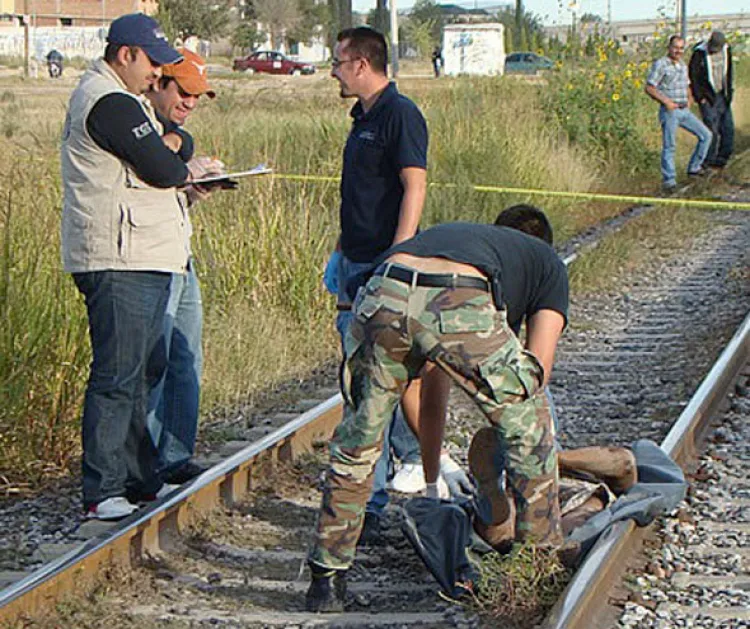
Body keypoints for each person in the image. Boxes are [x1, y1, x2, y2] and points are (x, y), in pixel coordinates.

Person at [306, 208, 568, 612]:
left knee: (360, 437)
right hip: (456, 292)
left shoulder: (468, 242)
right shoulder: (548, 265)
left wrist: (434, 476)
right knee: (531, 431)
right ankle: (535, 570)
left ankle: (326, 581)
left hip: (384, 286)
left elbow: (431, 385)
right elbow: (537, 375)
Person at [61, 13, 196, 520]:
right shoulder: (109, 101)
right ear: (125, 55)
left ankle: (140, 479)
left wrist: (175, 154)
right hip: (117, 256)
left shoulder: (126, 99)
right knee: (119, 373)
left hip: (138, 253)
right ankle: (103, 489)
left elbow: (175, 142)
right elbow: (163, 166)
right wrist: (177, 162)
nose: (157, 76)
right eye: (152, 63)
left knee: (144, 369)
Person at [325, 26, 447, 544]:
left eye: (338, 61)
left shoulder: (400, 114)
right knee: (375, 378)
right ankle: (396, 471)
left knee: (369, 382)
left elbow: (412, 186)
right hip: (353, 258)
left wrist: (397, 256)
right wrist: (340, 251)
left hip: (382, 262)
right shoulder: (362, 118)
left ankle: (372, 499)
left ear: (360, 64)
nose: (332, 71)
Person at [144, 49, 219, 485]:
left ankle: (174, 455)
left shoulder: (173, 135)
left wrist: (193, 185)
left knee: (187, 353)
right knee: (155, 359)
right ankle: (147, 460)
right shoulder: (137, 127)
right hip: (150, 258)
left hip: (179, 252)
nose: (191, 103)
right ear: (159, 83)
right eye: (185, 92)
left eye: (198, 96)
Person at [645, 34, 712, 193]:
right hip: (670, 111)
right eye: (675, 47)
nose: (678, 51)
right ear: (669, 47)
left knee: (706, 135)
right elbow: (650, 87)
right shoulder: (661, 64)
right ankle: (669, 181)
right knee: (670, 146)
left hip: (684, 110)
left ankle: (694, 167)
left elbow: (688, 84)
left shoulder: (682, 65)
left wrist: (690, 98)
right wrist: (666, 102)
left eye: (681, 48)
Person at [689, 31, 734, 170]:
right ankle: (708, 161)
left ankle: (722, 159)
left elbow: (729, 71)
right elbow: (693, 76)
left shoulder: (727, 50)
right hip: (707, 98)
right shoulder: (699, 53)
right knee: (711, 130)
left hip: (722, 95)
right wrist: (700, 97)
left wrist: (730, 91)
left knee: (728, 128)